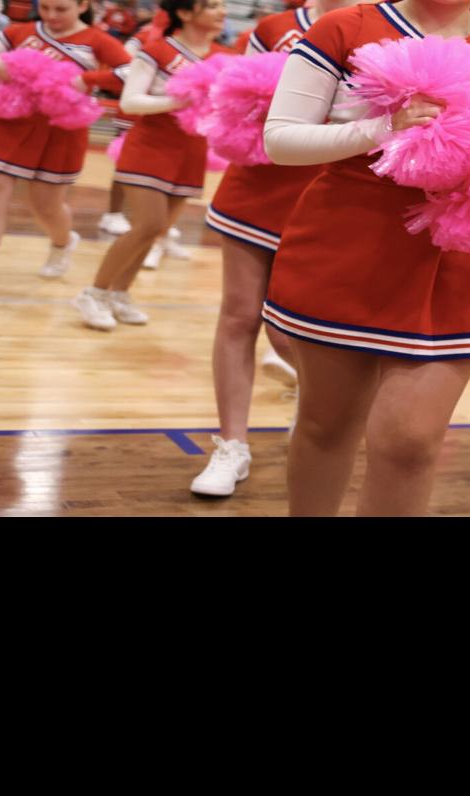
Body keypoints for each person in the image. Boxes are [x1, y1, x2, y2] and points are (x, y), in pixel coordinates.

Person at [258, 0, 470, 515]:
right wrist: (382, 129)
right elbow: (281, 139)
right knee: (327, 425)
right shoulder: (346, 27)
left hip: (459, 251)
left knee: (410, 442)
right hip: (346, 242)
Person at [190, 0, 361, 498]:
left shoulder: (384, 27)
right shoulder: (276, 26)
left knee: (309, 331)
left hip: (333, 195)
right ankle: (231, 445)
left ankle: (311, 411)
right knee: (239, 316)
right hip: (258, 183)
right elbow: (233, 103)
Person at [0, 0, 129, 296]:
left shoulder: (98, 40)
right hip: (8, 119)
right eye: (45, 8)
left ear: (82, 5)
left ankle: (63, 242)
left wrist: (87, 79)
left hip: (61, 129)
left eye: (61, 9)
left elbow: (132, 73)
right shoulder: (18, 32)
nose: (51, 16)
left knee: (46, 205)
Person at [69, 0, 231, 329]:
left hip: (191, 151)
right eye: (212, 5)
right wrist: (179, 101)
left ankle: (119, 294)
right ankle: (94, 293)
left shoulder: (224, 56)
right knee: (148, 223)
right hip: (150, 147)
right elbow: (131, 101)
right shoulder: (157, 50)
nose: (222, 12)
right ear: (185, 13)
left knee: (157, 230)